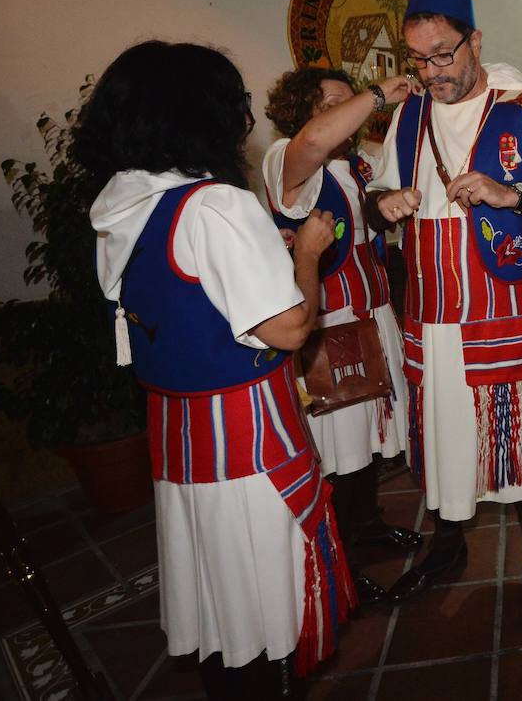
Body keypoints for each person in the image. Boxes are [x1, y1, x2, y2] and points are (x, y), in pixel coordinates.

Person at [75, 41, 355, 699]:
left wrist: (262, 259)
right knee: (264, 600)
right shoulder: (215, 206)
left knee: (218, 596)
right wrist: (307, 256)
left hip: (179, 438)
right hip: (248, 443)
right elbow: (288, 329)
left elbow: (188, 296)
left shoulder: (123, 205)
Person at [364, 0, 522, 629]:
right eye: (419, 58)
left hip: (496, 309)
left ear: (476, 41)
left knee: (518, 452)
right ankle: (447, 547)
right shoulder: (408, 114)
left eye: (445, 55)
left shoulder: (518, 106)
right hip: (429, 316)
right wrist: (385, 202)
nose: (434, 72)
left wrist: (510, 193)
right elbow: (375, 196)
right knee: (442, 442)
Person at [262, 66, 423, 605]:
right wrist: (376, 95)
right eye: (332, 104)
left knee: (370, 441)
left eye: (347, 102)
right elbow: (314, 140)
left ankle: (369, 523)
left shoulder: (354, 165)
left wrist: (389, 202)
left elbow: (372, 214)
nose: (344, 113)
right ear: (302, 111)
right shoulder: (287, 159)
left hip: (372, 312)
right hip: (329, 323)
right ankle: (341, 565)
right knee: (340, 451)